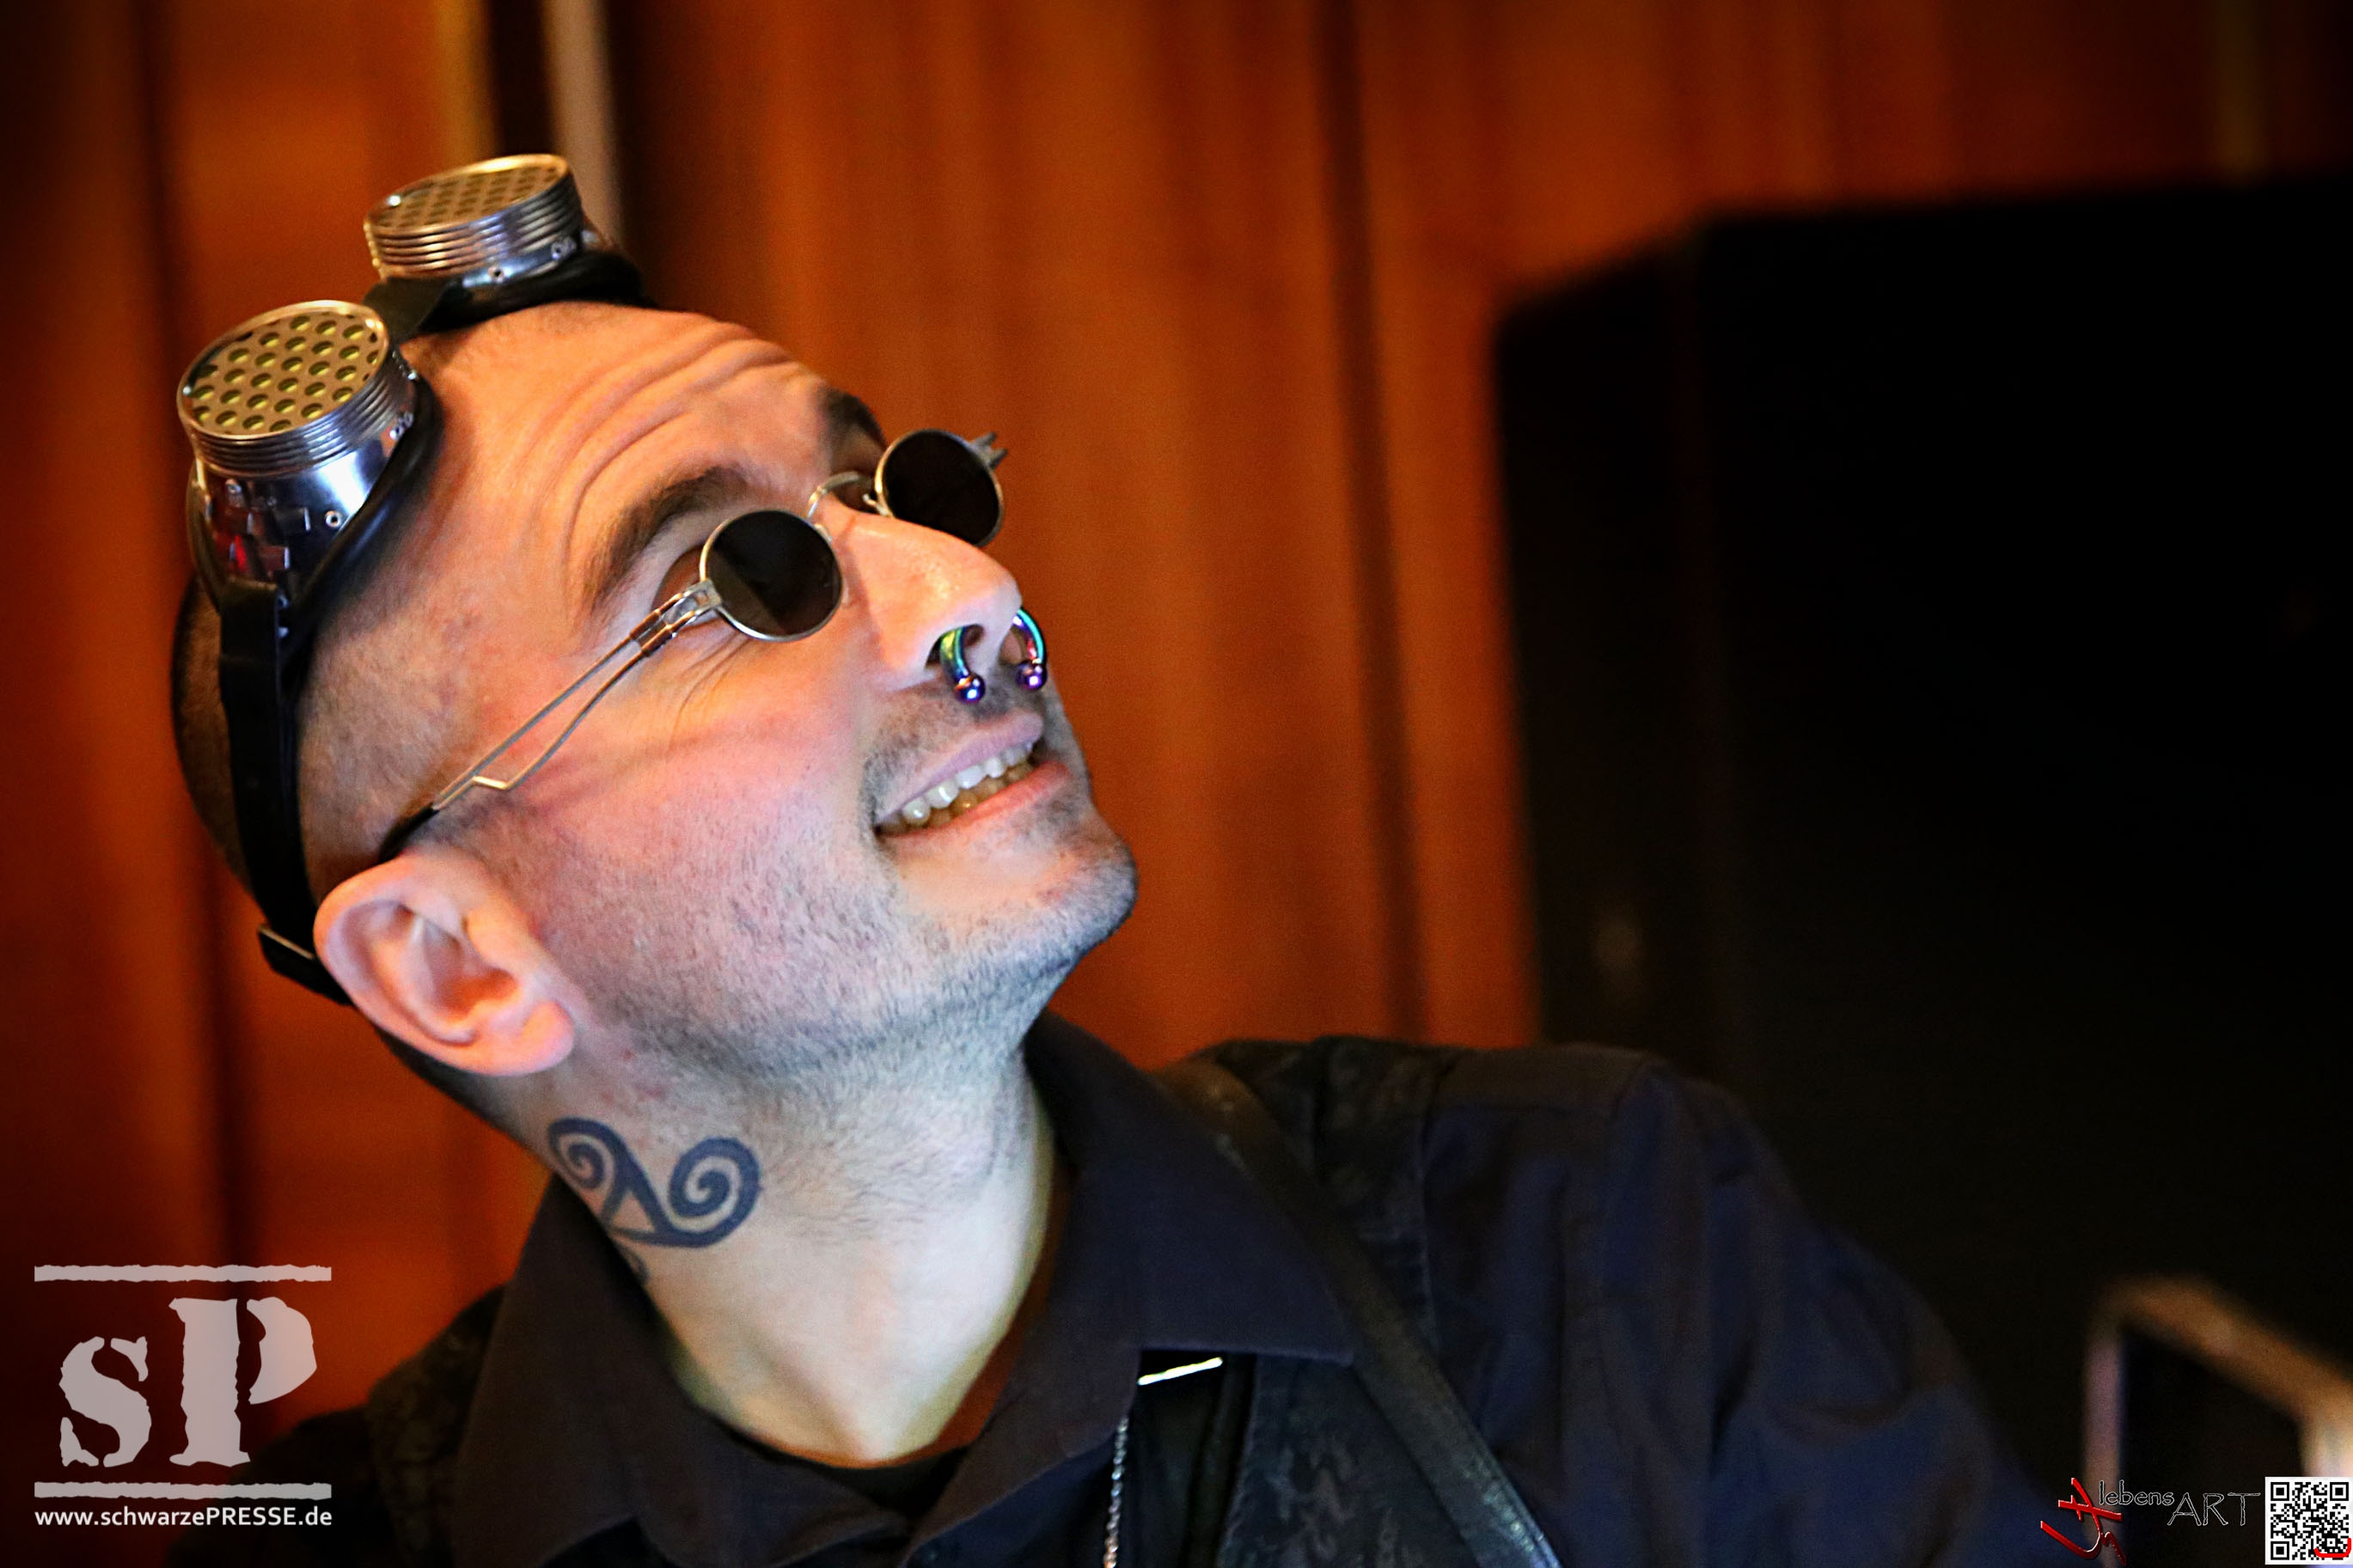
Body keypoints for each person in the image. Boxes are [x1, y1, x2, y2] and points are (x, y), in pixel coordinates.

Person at [167, 224, 2048, 1568]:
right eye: (738, 578)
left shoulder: (1596, 1250)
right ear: (458, 964)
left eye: (883, 488)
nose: (972, 592)